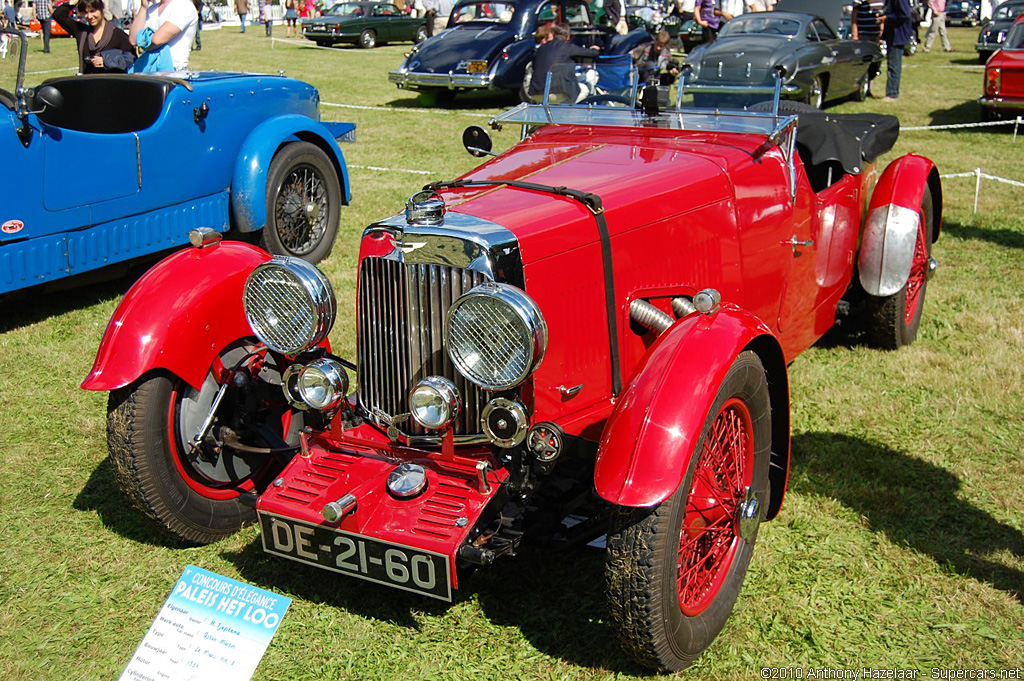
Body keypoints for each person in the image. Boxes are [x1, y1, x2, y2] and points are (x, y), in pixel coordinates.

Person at [52, 0, 136, 72]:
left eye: (93, 11)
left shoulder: (118, 35)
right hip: (88, 84)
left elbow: (132, 59)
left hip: (112, 84)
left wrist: (107, 61)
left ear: (102, 9)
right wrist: (74, 2)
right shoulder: (81, 31)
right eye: (85, 12)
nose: (89, 16)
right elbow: (58, 15)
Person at [527, 22, 599, 103]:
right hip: (555, 93)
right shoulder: (567, 47)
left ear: (553, 34)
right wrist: (595, 49)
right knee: (584, 90)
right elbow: (593, 54)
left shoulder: (540, 48)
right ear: (568, 37)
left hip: (536, 93)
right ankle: (568, 113)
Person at [129, 0, 199, 71]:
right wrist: (143, 8)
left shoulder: (185, 6)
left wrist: (143, 38)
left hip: (173, 73)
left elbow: (157, 40)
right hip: (148, 71)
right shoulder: (151, 9)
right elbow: (133, 40)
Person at [882, 0, 913, 100]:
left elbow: (905, 14)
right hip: (891, 34)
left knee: (894, 65)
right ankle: (892, 91)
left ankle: (892, 93)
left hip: (898, 35)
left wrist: (887, 17)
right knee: (892, 63)